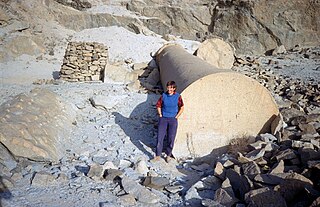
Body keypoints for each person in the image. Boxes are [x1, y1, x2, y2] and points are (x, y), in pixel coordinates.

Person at [151, 81, 184, 163]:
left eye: (171, 88)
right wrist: (160, 114)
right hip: (164, 118)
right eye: (168, 87)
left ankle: (168, 155)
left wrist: (177, 116)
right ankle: (158, 155)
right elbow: (158, 105)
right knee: (160, 137)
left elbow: (182, 107)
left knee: (171, 138)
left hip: (173, 119)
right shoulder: (163, 96)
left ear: (174, 88)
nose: (169, 89)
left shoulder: (178, 96)